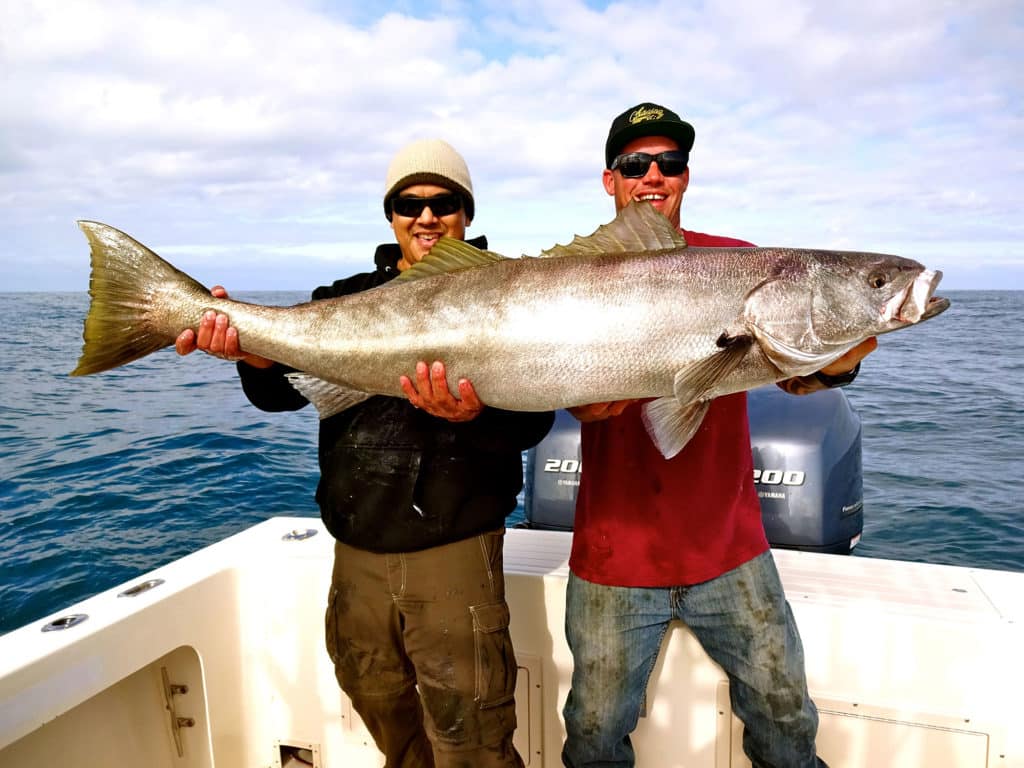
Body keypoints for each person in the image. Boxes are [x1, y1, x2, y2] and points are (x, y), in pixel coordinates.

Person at [176, 138, 553, 767]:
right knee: (374, 696)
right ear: (390, 214)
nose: (426, 217)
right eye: (409, 203)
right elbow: (283, 396)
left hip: (454, 552)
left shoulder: (512, 294)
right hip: (355, 552)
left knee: (473, 732)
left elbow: (535, 418)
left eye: (444, 202)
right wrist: (252, 352)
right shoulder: (342, 298)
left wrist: (479, 411)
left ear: (468, 213)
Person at [560, 103, 877, 768]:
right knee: (593, 736)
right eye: (635, 163)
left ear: (686, 176)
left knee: (787, 720)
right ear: (609, 179)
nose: (653, 175)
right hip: (614, 560)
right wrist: (582, 406)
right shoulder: (571, 283)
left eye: (669, 163)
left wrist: (836, 367)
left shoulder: (740, 263)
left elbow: (798, 375)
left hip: (731, 552)